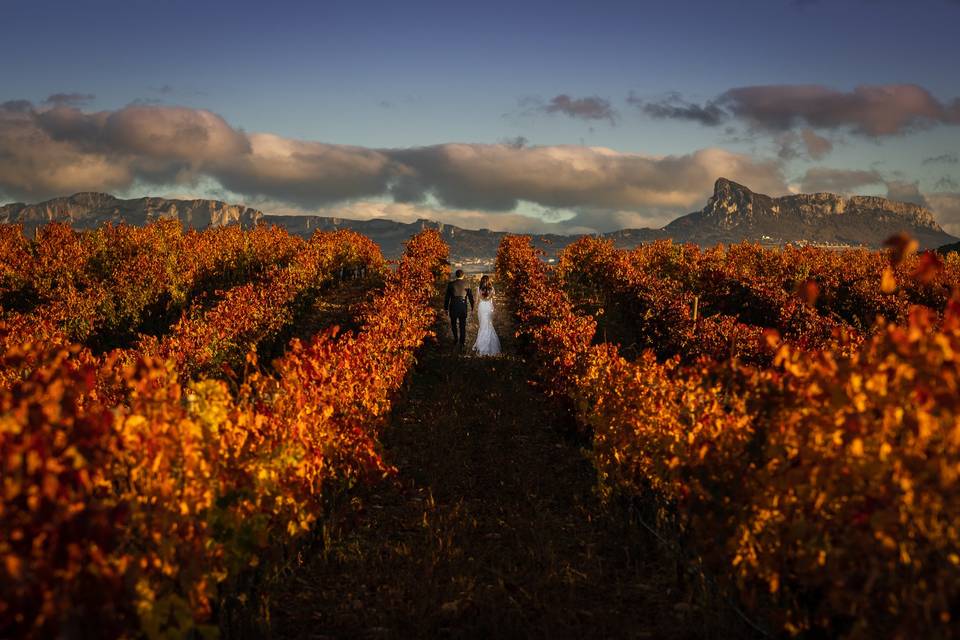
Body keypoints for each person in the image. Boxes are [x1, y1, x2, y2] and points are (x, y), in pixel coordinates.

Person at [443, 269, 474, 353]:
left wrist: (445, 308)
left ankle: (456, 338)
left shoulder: (451, 284)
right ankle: (462, 342)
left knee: (453, 323)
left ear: (456, 275)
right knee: (462, 325)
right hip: (462, 307)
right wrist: (472, 307)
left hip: (453, 306)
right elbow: (470, 297)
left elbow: (447, 298)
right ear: (463, 275)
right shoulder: (467, 284)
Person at [472, 274, 501, 356]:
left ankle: (482, 345)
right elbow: (494, 301)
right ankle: (490, 345)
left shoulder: (478, 289)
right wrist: (496, 309)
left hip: (482, 308)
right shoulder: (492, 289)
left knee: (482, 326)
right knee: (489, 325)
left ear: (481, 281)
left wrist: (473, 309)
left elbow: (476, 301)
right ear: (489, 281)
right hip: (489, 308)